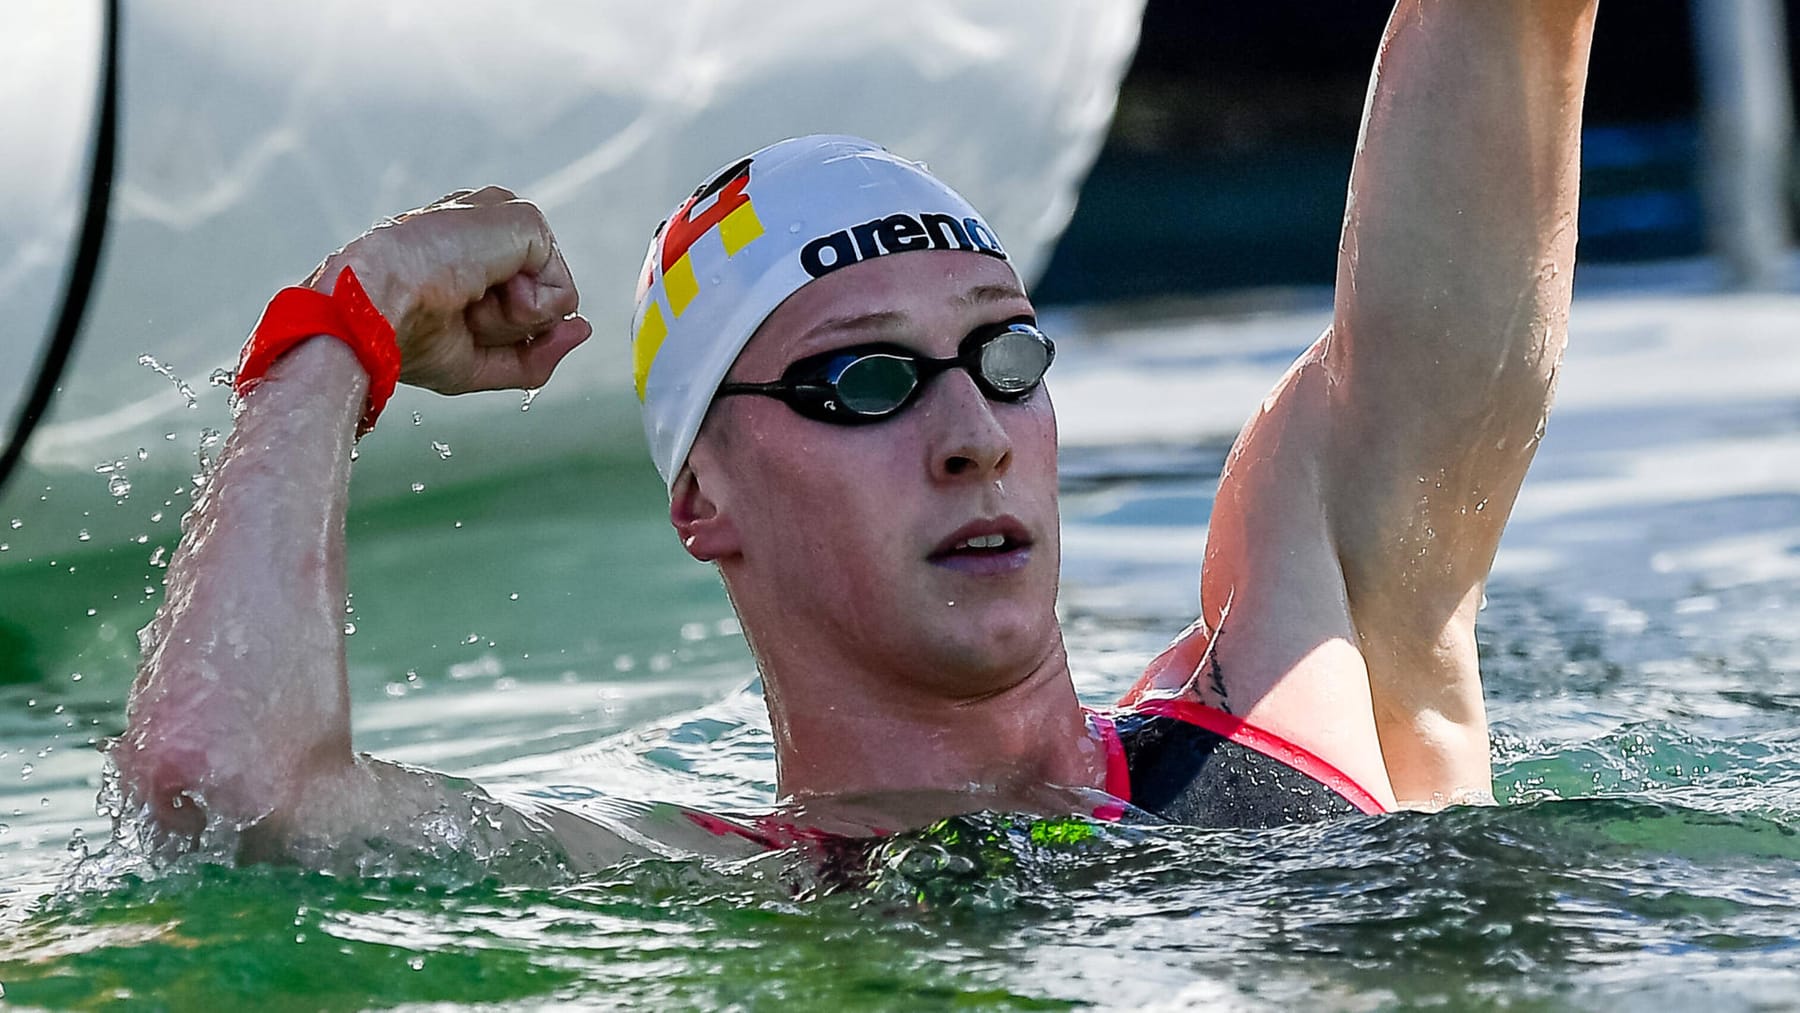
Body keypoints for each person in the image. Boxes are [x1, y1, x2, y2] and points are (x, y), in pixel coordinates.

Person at [112, 1, 1599, 865]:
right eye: (866, 385)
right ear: (703, 501)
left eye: (1004, 356)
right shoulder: (689, 889)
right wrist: (341, 325)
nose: (971, 432)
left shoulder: (1310, 682)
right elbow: (217, 783)